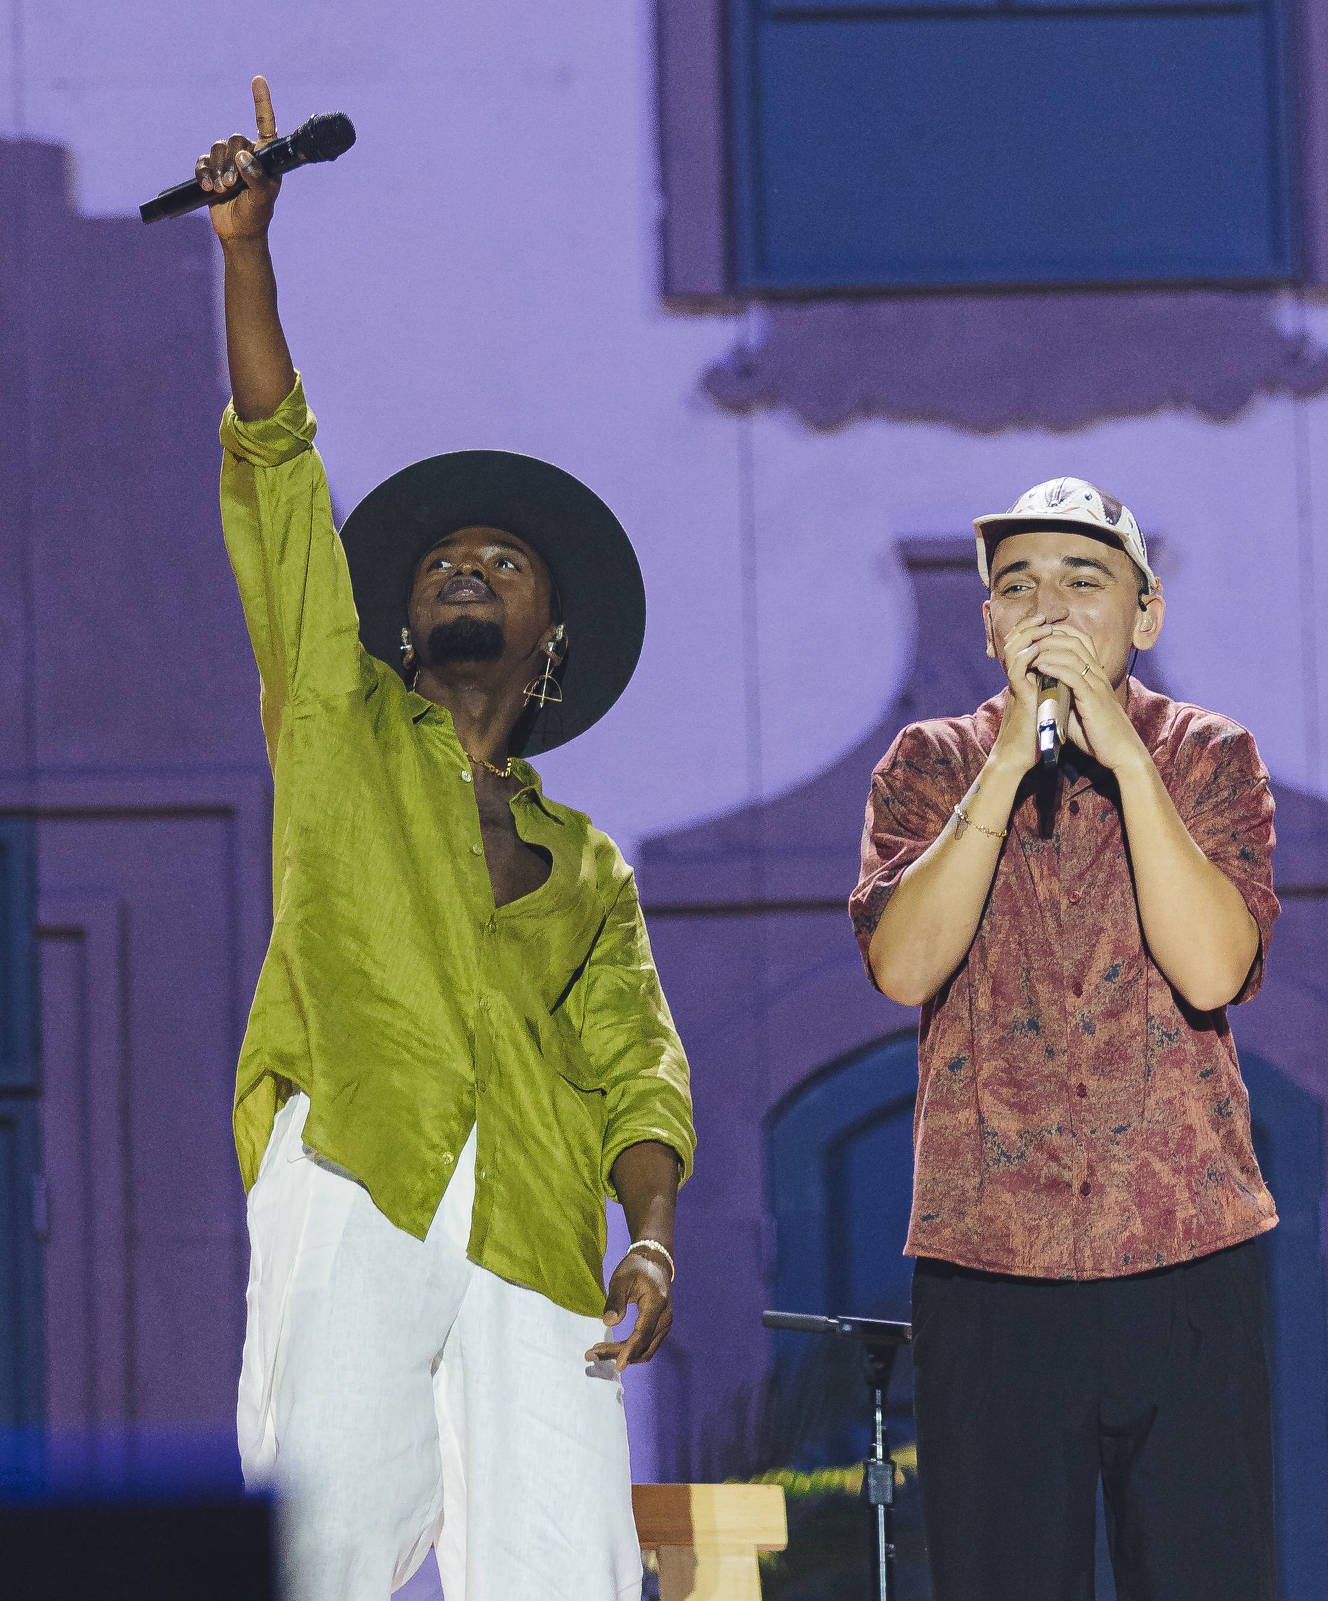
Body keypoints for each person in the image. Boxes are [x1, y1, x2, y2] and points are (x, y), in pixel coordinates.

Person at [199, 77, 694, 1601]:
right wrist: (245, 254)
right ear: (405, 622)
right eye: (441, 564)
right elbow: (280, 474)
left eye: (504, 563)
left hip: (540, 1217)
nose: (465, 569)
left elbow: (638, 1064)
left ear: (547, 643)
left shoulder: (591, 859)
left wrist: (655, 1239)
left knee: (565, 1570)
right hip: (360, 1153)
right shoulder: (339, 722)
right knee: (318, 1548)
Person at [851, 478, 1282, 1600]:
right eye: (1017, 585)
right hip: (989, 1261)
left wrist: (1126, 760)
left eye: (1084, 581)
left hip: (1184, 1250)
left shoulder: (1208, 756)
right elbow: (903, 963)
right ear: (987, 624)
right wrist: (1006, 758)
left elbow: (1212, 964)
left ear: (1144, 615)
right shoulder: (928, 763)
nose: (1048, 606)